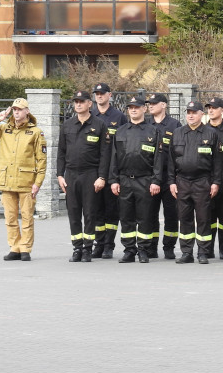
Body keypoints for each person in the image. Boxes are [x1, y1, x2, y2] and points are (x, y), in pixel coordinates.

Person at [0, 98, 48, 261]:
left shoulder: (36, 132)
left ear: (27, 112)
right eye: (15, 109)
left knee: (27, 217)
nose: (16, 112)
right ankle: (15, 247)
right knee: (10, 218)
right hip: (7, 182)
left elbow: (42, 160)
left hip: (26, 182)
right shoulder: (4, 129)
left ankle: (25, 248)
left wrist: (38, 183)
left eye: (20, 109)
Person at [57, 90, 111, 262]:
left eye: (82, 101)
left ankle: (88, 249)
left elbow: (105, 154)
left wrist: (102, 177)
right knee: (73, 213)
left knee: (90, 213)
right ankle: (77, 248)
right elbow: (61, 153)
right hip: (71, 175)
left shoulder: (99, 125)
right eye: (76, 102)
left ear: (90, 104)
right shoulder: (67, 125)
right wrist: (60, 175)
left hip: (90, 174)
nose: (78, 104)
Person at [167, 101, 222, 264]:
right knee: (184, 218)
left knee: (203, 218)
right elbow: (170, 160)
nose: (191, 115)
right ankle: (186, 252)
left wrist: (216, 182)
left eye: (194, 112)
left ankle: (203, 252)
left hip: (202, 181)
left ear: (201, 115)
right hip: (182, 181)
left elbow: (217, 161)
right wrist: (171, 181)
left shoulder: (210, 133)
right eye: (188, 112)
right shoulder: (177, 133)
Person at [109, 96, 163, 263]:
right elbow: (114, 157)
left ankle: (144, 250)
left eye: (137, 107)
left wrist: (156, 181)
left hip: (145, 180)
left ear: (144, 109)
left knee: (145, 217)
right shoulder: (121, 131)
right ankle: (129, 250)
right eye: (131, 107)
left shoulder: (152, 131)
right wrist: (114, 180)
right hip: (125, 180)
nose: (133, 110)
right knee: (126, 217)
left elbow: (158, 159)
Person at [90, 82, 126, 259]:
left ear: (109, 95)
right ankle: (98, 244)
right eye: (96, 93)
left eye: (102, 93)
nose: (99, 96)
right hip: (93, 169)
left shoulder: (119, 117)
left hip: (112, 169)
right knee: (96, 210)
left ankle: (109, 245)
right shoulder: (90, 115)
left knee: (111, 209)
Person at [147, 92, 182, 259]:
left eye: (154, 103)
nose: (150, 105)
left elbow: (179, 153)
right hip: (150, 177)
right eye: (149, 103)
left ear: (164, 105)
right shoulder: (146, 124)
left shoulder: (175, 125)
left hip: (169, 178)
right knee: (150, 214)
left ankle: (169, 247)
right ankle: (151, 248)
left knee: (171, 214)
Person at [203, 97, 223, 260]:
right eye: (209, 107)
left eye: (214, 107)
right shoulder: (202, 130)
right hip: (205, 181)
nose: (211, 110)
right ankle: (208, 249)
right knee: (207, 217)